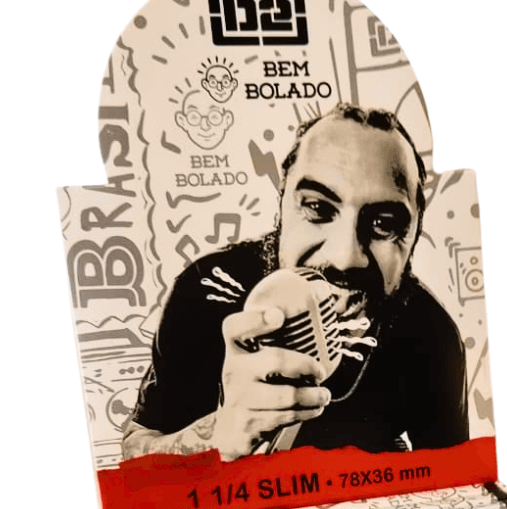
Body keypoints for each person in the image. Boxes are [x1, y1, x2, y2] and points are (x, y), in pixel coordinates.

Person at [122, 103, 469, 460]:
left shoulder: (434, 337)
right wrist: (217, 436)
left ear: (415, 233)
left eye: (383, 223)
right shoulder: (206, 292)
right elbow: (135, 451)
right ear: (282, 205)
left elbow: (458, 478)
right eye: (318, 207)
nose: (345, 257)